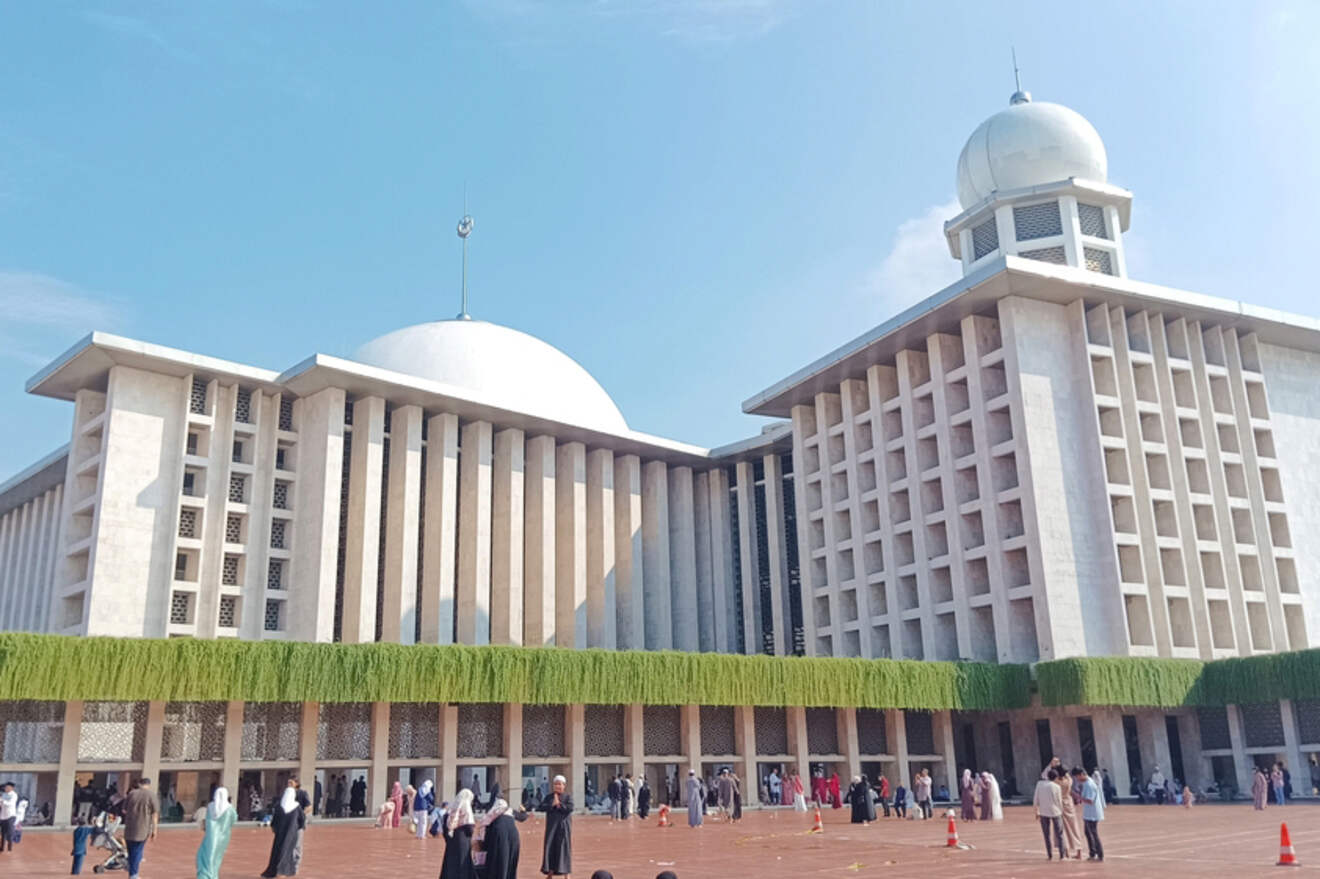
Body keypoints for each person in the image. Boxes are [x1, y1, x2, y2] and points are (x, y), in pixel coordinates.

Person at [261, 778, 310, 878]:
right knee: (288, 850)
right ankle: (284, 871)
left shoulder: (281, 806)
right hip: (292, 832)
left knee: (283, 850)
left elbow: (274, 821)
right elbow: (301, 820)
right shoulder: (296, 807)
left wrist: (275, 829)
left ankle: (282, 870)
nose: (289, 784)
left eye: (291, 782)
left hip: (281, 833)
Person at [122, 777, 159, 879]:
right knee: (137, 851)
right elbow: (154, 814)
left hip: (129, 827)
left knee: (131, 851)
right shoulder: (151, 795)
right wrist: (154, 830)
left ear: (139, 783)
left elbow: (124, 810)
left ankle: (132, 870)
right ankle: (133, 874)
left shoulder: (131, 794)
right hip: (142, 828)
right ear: (148, 784)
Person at [195, 787, 236, 879]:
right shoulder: (230, 809)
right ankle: (212, 875)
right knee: (216, 857)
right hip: (223, 837)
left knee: (205, 855)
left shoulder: (210, 806)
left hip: (210, 836)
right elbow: (234, 819)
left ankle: (205, 875)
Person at [478, 798, 522, 879]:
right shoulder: (510, 813)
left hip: (500, 838)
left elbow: (486, 833)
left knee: (499, 863)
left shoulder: (493, 816)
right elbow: (523, 817)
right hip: (514, 837)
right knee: (510, 864)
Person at [539, 775, 572, 878]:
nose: (558, 786)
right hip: (551, 828)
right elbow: (541, 807)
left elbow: (570, 808)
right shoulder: (549, 797)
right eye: (556, 784)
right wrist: (552, 805)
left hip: (563, 828)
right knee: (550, 848)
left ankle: (566, 874)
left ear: (564, 785)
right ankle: (550, 873)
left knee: (564, 849)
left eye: (560, 784)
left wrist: (559, 805)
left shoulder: (567, 797)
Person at [440, 788, 475, 879]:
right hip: (462, 840)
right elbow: (470, 828)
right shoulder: (466, 806)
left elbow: (445, 826)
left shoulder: (452, 807)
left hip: (452, 839)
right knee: (461, 864)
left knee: (451, 864)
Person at [1073, 768, 1104, 862]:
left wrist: (1077, 796)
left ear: (1082, 774)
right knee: (1088, 832)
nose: (1077, 779)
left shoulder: (1089, 784)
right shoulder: (1086, 783)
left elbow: (1090, 800)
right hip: (1089, 813)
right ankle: (1093, 852)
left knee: (1093, 833)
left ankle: (1099, 854)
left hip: (1092, 813)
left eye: (1077, 776)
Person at [1033, 769, 1064, 861]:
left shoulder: (1039, 784)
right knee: (1060, 834)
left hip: (1043, 812)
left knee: (1046, 835)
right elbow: (1059, 801)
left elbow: (1035, 799)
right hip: (1056, 812)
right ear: (1056, 778)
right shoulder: (1056, 787)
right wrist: (1061, 812)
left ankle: (1049, 855)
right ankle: (1062, 855)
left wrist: (1036, 812)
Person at [1054, 767, 1083, 860]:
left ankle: (1067, 853)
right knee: (1074, 828)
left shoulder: (1056, 782)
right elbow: (1067, 775)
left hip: (1060, 805)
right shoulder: (1069, 781)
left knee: (1063, 830)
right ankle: (1079, 851)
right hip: (1069, 804)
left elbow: (1047, 776)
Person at [0, 782, 16, 853]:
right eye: (5, 787)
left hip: (10, 816)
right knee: (3, 833)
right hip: (3, 816)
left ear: (11, 788)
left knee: (9, 832)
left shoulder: (14, 795)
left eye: (7, 787)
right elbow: (2, 805)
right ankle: (2, 848)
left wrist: (2, 801)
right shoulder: (4, 794)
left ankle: (9, 848)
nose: (5, 788)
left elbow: (10, 804)